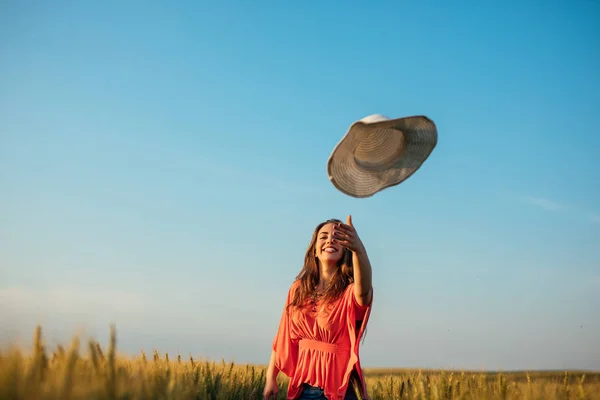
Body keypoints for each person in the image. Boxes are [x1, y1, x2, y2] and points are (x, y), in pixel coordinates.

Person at [263, 215, 374, 400]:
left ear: (346, 249)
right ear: (314, 250)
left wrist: (359, 250)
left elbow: (364, 292)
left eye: (337, 237)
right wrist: (270, 377)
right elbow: (282, 336)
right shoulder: (298, 289)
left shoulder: (349, 293)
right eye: (323, 237)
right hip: (301, 390)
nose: (330, 239)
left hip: (338, 391)